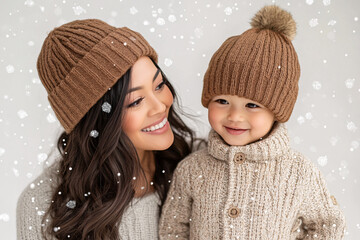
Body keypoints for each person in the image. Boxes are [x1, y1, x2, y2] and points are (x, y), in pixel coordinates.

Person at [159, 5, 346, 240]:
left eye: (252, 105)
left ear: (277, 111)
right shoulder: (192, 169)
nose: (235, 116)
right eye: (222, 100)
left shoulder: (299, 172)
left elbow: (327, 225)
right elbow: (172, 229)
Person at [17, 19, 196, 240]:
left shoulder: (197, 168)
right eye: (136, 101)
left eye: (159, 85)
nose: (160, 106)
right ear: (98, 121)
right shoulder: (42, 206)